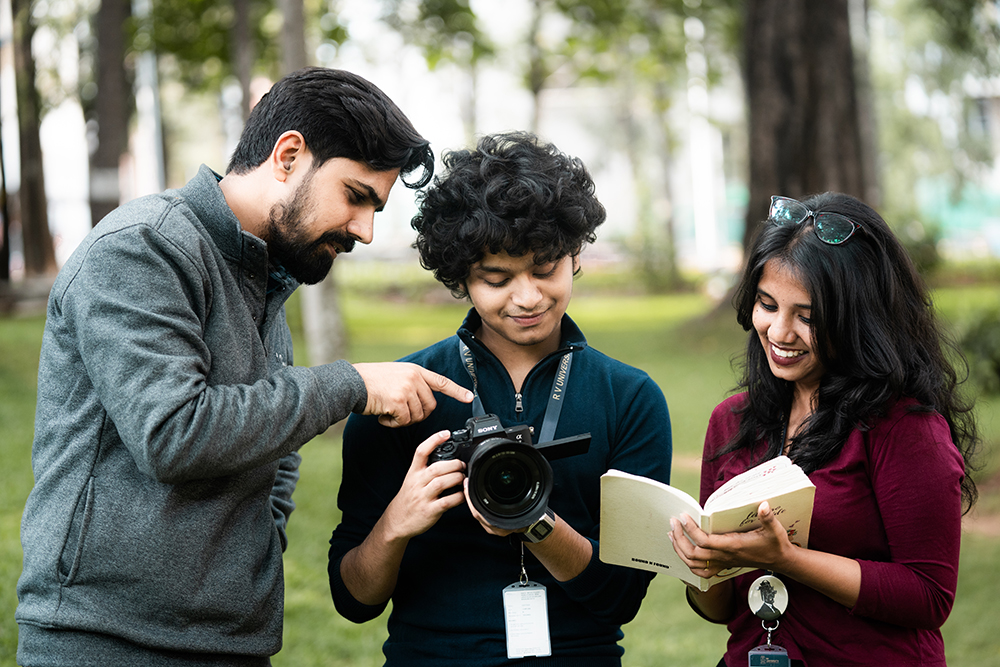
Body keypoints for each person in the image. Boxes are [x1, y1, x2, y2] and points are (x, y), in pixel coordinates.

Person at [16, 67, 473, 666]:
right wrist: (351, 385)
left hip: (231, 642)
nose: (363, 229)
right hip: (106, 640)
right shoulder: (143, 247)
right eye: (357, 196)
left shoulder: (265, 272)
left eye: (375, 209)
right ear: (288, 155)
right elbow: (173, 433)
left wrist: (255, 548)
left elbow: (275, 450)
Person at [328, 131, 672, 666]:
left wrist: (532, 520)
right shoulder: (401, 393)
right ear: (461, 277)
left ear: (574, 254)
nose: (529, 297)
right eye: (497, 278)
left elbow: (620, 598)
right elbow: (353, 600)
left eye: (545, 267)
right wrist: (398, 520)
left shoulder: (629, 399)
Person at [669, 192, 980, 667]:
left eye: (807, 317)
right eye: (766, 305)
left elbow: (929, 596)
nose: (779, 332)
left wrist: (787, 559)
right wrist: (700, 568)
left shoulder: (904, 427)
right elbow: (722, 609)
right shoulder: (732, 421)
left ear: (859, 319)